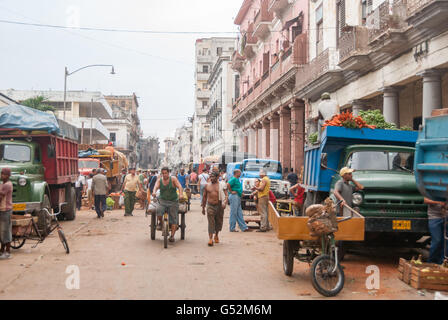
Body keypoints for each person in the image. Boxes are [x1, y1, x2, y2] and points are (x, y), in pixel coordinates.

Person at [152, 167, 184, 243]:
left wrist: (181, 194)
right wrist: (154, 192)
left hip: (173, 201)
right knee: (159, 212)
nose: (164, 175)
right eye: (163, 173)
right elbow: (155, 186)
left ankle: (172, 236)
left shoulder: (173, 179)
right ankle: (162, 224)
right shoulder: (160, 180)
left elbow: (179, 186)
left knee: (174, 219)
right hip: (162, 201)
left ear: (168, 173)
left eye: (165, 173)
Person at [202, 171, 228, 246]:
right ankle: (210, 239)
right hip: (210, 206)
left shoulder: (222, 185)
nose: (211, 178)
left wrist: (224, 202)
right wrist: (203, 207)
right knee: (211, 222)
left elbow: (226, 195)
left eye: (213, 177)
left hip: (219, 205)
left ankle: (216, 234)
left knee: (218, 222)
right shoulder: (207, 186)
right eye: (211, 177)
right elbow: (204, 197)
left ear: (217, 177)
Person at [424, 197, 448, 264]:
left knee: (445, 242)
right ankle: (432, 263)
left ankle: (442, 263)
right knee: (437, 240)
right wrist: (439, 202)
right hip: (435, 217)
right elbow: (425, 200)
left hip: (446, 217)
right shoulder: (432, 187)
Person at [0, 168, 13, 259]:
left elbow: (0, 197)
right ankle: (2, 250)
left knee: (5, 231)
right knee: (2, 231)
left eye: (4, 174)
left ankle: (7, 251)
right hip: (3, 210)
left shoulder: (7, 185)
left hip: (5, 210)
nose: (2, 175)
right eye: (1, 174)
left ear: (8, 175)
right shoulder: (3, 184)